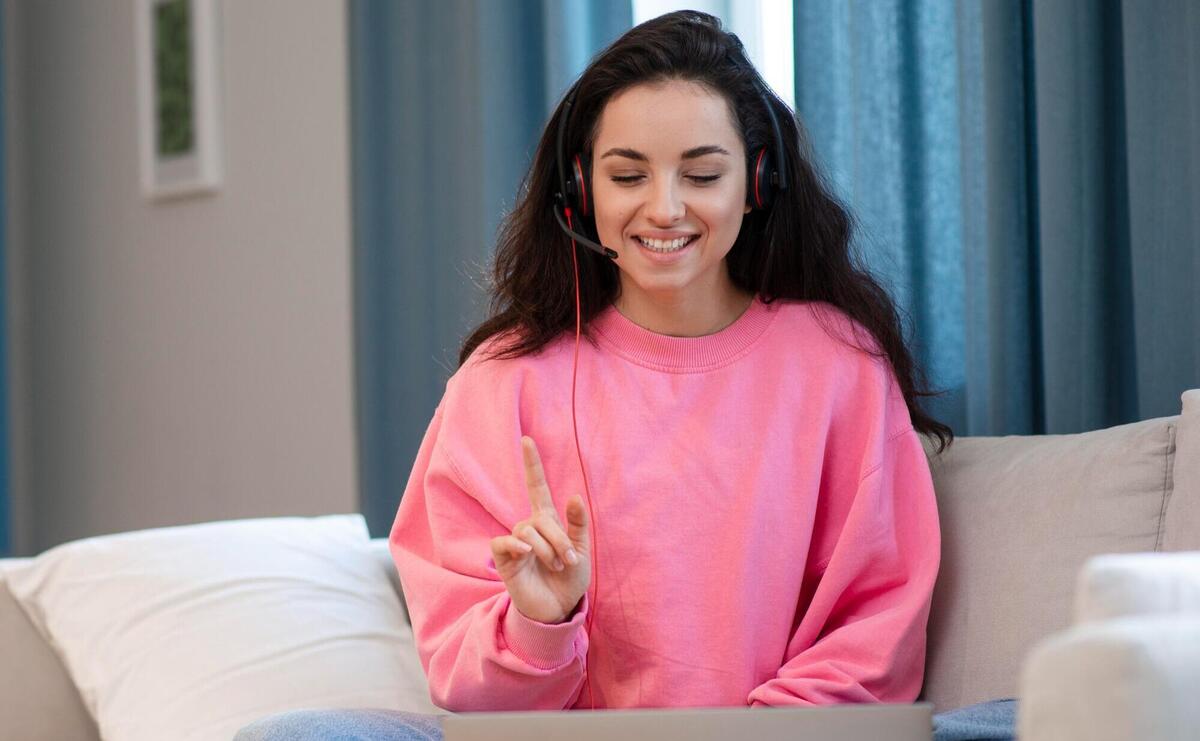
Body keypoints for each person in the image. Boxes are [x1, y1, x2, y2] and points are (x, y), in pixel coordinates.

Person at [237, 10, 1016, 741]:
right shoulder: (500, 381)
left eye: (702, 175)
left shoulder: (838, 363)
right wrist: (541, 623)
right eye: (628, 174)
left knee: (1025, 718)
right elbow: (467, 687)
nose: (665, 208)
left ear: (757, 181)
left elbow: (874, 627)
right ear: (580, 189)